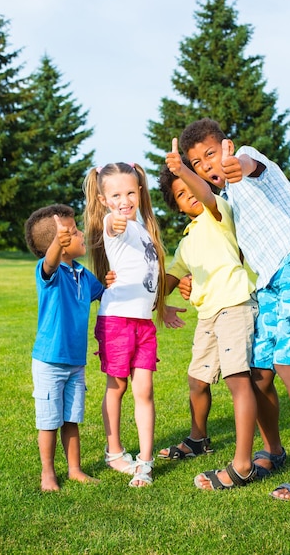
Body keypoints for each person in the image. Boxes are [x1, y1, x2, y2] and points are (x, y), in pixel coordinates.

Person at [179, 118, 290, 499]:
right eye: (198, 163)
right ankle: (273, 451)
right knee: (260, 371)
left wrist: (237, 166)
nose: (208, 165)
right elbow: (207, 199)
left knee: (289, 364)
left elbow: (249, 166)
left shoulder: (247, 158)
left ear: (227, 146)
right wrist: (182, 170)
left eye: (211, 154)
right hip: (269, 279)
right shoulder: (225, 203)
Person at [158, 140, 261, 491]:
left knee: (237, 381)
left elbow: (205, 194)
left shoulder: (219, 213)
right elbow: (168, 280)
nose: (188, 191)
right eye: (180, 192)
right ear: (175, 204)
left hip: (234, 306)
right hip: (208, 316)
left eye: (190, 185)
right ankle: (199, 438)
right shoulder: (186, 241)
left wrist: (183, 170)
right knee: (197, 381)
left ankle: (242, 463)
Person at [83, 162, 184, 487]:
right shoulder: (114, 224)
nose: (124, 199)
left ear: (140, 191)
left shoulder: (143, 229)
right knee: (118, 387)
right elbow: (113, 225)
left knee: (145, 390)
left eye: (129, 192)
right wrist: (115, 217)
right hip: (116, 322)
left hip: (143, 324)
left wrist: (162, 307)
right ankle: (114, 453)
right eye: (115, 194)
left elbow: (148, 277)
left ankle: (145, 461)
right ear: (103, 199)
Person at [25, 204, 104, 492]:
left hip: (75, 361)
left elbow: (104, 295)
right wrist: (59, 241)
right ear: (60, 243)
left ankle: (74, 470)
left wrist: (110, 283)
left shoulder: (83, 274)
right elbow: (50, 262)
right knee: (49, 421)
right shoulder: (50, 272)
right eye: (74, 231)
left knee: (72, 418)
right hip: (49, 361)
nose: (81, 233)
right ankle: (48, 473)